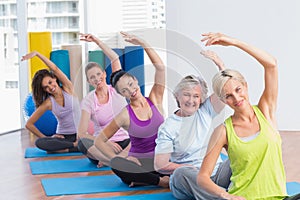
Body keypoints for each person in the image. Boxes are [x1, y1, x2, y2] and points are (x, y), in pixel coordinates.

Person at [197, 32, 300, 200]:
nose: (236, 98)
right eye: (228, 96)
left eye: (238, 90)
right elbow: (202, 177)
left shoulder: (266, 111)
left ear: (245, 86)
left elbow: (271, 65)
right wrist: (226, 196)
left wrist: (234, 42)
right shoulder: (223, 131)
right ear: (223, 100)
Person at [93, 31, 169, 188]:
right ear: (121, 94)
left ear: (135, 80)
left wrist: (144, 43)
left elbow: (160, 69)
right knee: (118, 165)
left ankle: (143, 179)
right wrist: (115, 158)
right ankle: (158, 181)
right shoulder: (124, 115)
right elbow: (100, 141)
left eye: (130, 84)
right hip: (138, 162)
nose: (130, 90)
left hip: (162, 159)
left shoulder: (155, 98)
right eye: (124, 90)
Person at [154, 50, 232, 200]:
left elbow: (224, 90)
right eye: (186, 95)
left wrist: (220, 66)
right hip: (190, 179)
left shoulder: (206, 111)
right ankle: (223, 196)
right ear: (177, 96)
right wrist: (186, 167)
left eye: (196, 96)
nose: (191, 100)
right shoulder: (168, 127)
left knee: (240, 157)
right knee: (179, 173)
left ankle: (221, 192)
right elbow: (160, 165)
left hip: (215, 173)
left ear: (201, 98)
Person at [77, 33, 130, 167]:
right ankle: (118, 161)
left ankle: (111, 160)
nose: (97, 78)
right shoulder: (88, 100)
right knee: (82, 143)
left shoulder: (117, 89)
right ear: (89, 81)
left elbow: (115, 58)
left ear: (105, 74)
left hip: (125, 142)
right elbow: (81, 133)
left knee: (146, 136)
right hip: (103, 145)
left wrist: (96, 40)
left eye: (99, 74)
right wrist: (104, 142)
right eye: (92, 77)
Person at [22, 51, 80, 153]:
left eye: (50, 82)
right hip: (63, 138)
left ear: (54, 79)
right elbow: (29, 124)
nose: (50, 87)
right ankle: (73, 146)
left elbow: (55, 69)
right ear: (44, 90)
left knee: (94, 141)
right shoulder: (48, 103)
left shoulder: (68, 88)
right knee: (40, 143)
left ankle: (65, 149)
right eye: (46, 87)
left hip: (80, 134)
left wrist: (37, 54)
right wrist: (45, 138)